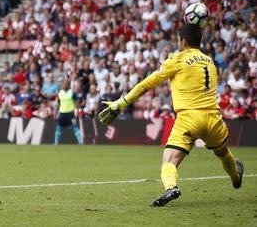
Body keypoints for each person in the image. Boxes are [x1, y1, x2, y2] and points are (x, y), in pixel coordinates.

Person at [99, 24, 244, 206]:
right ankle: (236, 176)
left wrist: (120, 103)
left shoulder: (178, 59)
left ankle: (171, 187)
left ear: (183, 41)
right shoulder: (210, 61)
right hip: (214, 119)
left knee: (169, 160)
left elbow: (146, 84)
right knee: (222, 152)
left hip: (189, 119)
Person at [54, 80, 83, 145]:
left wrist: (77, 111)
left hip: (70, 114)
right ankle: (56, 144)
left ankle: (81, 143)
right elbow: (57, 104)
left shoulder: (72, 93)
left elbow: (76, 103)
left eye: (66, 84)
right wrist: (55, 113)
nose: (65, 85)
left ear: (69, 85)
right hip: (62, 114)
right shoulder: (59, 93)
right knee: (58, 129)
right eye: (63, 84)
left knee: (75, 128)